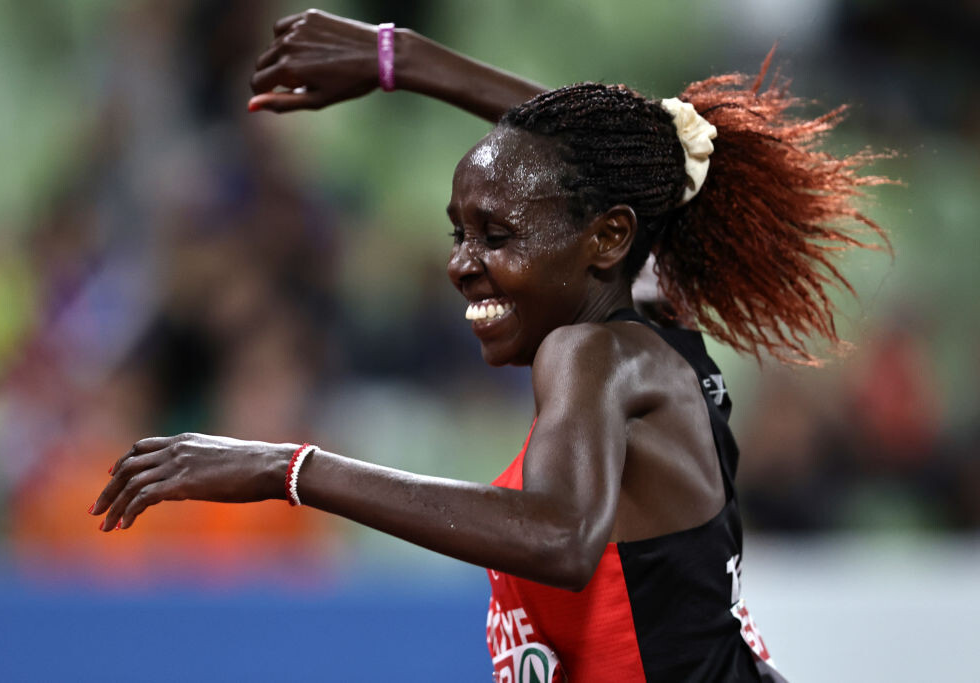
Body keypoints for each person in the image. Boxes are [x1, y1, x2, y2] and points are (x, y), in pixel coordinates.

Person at [92, 10, 891, 681]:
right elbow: (607, 166)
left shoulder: (594, 353)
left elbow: (559, 536)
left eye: (496, 236)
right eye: (459, 233)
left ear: (606, 239)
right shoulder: (650, 325)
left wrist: (287, 467)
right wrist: (397, 60)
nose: (461, 265)